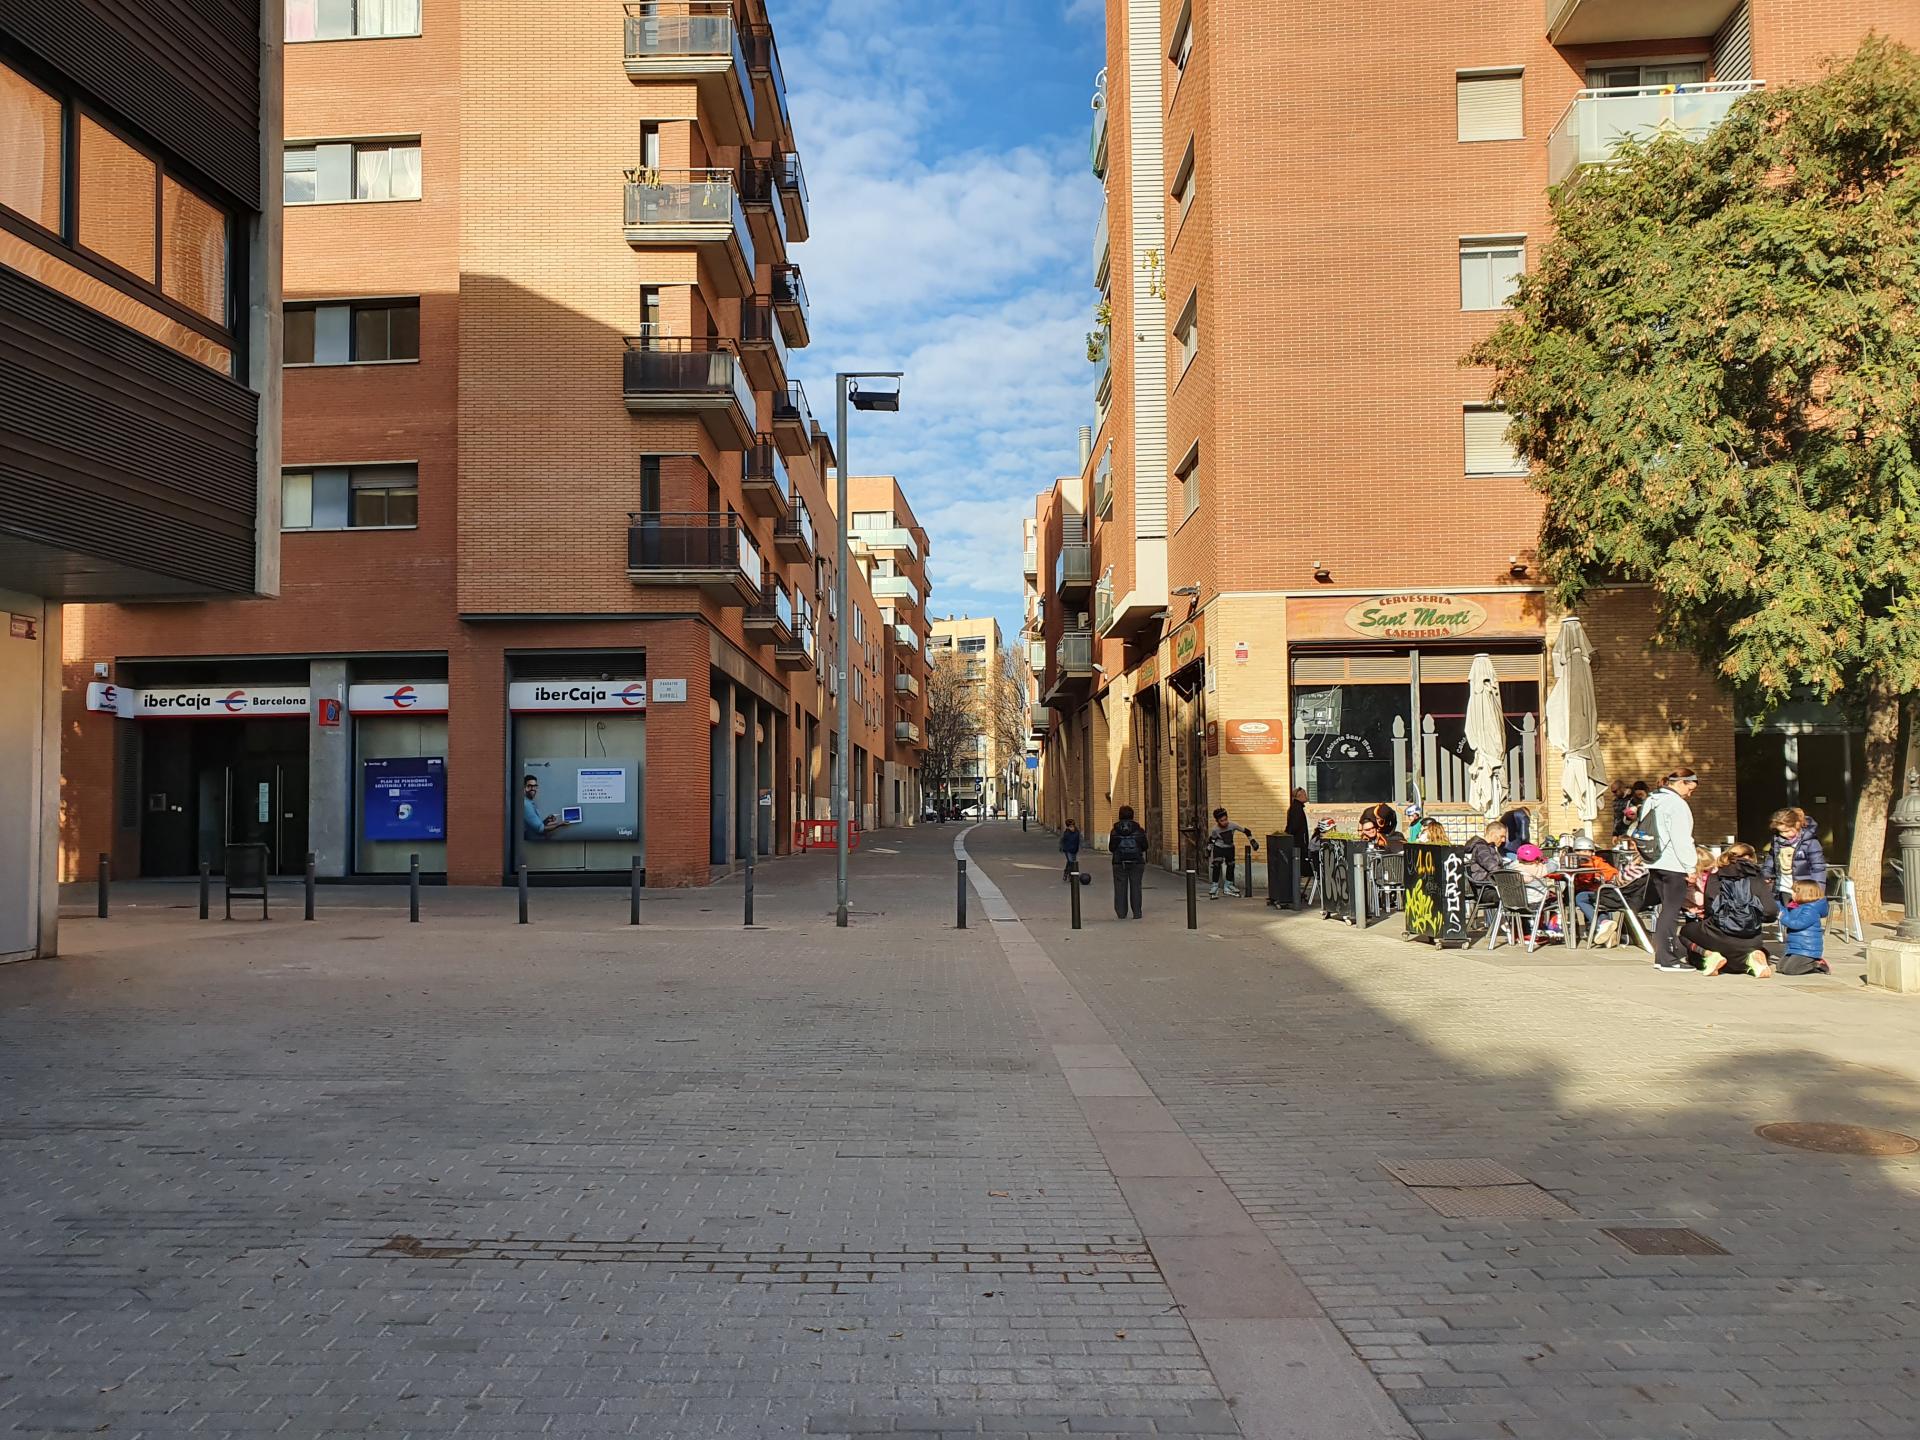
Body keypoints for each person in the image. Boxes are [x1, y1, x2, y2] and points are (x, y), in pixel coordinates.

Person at [1681, 842, 1780, 976]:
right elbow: (1771, 911)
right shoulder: (1757, 878)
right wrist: (1753, 919)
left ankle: (1709, 955)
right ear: (1752, 858)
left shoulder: (1716, 875)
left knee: (1685, 931)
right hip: (1752, 938)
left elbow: (1710, 909)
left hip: (1718, 934)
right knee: (1742, 954)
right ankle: (1754, 958)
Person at [1639, 769, 1701, 972]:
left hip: (1654, 861)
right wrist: (1691, 867)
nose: (1689, 794)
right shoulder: (1677, 804)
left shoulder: (1652, 799)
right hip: (1673, 863)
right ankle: (1667, 959)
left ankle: (1662, 956)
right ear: (1681, 782)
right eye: (1690, 789)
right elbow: (1682, 839)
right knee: (1671, 911)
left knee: (1666, 909)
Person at [1762, 807, 1828, 907]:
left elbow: (1818, 868)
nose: (1784, 835)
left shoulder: (1810, 842)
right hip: (1784, 888)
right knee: (1786, 915)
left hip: (1804, 891)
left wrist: (1818, 890)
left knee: (1804, 915)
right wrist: (1766, 873)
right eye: (1781, 832)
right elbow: (1771, 858)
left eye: (1787, 831)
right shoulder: (1777, 841)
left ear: (1797, 825)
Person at [1778, 878, 1831, 975]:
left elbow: (1798, 924)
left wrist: (1783, 918)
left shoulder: (1810, 910)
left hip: (1807, 948)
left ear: (1804, 894)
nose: (1792, 894)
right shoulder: (1795, 906)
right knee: (1780, 967)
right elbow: (1786, 913)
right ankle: (1808, 964)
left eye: (1795, 892)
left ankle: (1816, 964)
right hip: (1795, 947)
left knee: (1790, 970)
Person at [1207, 807, 1258, 897]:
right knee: (1217, 864)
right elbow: (1212, 840)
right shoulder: (1215, 829)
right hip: (1219, 848)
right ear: (1217, 821)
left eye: (1226, 819)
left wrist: (1252, 841)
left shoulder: (1232, 825)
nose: (1225, 822)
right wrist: (1208, 849)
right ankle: (1214, 886)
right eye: (1222, 821)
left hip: (1229, 848)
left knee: (1231, 865)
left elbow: (1246, 831)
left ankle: (1228, 885)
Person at [1108, 805, 1149, 920]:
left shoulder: (1114, 831)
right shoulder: (1139, 830)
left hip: (1119, 862)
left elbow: (1111, 848)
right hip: (1137, 862)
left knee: (1120, 887)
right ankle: (1137, 912)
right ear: (1132, 816)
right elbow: (1145, 846)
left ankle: (1121, 913)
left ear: (1120, 816)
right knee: (1136, 886)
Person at [520, 774, 570, 841]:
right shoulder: (526, 805)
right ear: (524, 787)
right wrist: (559, 824)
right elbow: (540, 829)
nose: (533, 789)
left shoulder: (530, 802)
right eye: (529, 786)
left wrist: (547, 820)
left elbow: (538, 826)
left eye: (535, 786)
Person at [1286, 788, 1311, 875]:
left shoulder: (1296, 807)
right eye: (1305, 794)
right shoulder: (1297, 808)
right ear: (1299, 796)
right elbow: (1294, 826)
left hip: (1297, 841)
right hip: (1298, 842)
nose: (1306, 796)